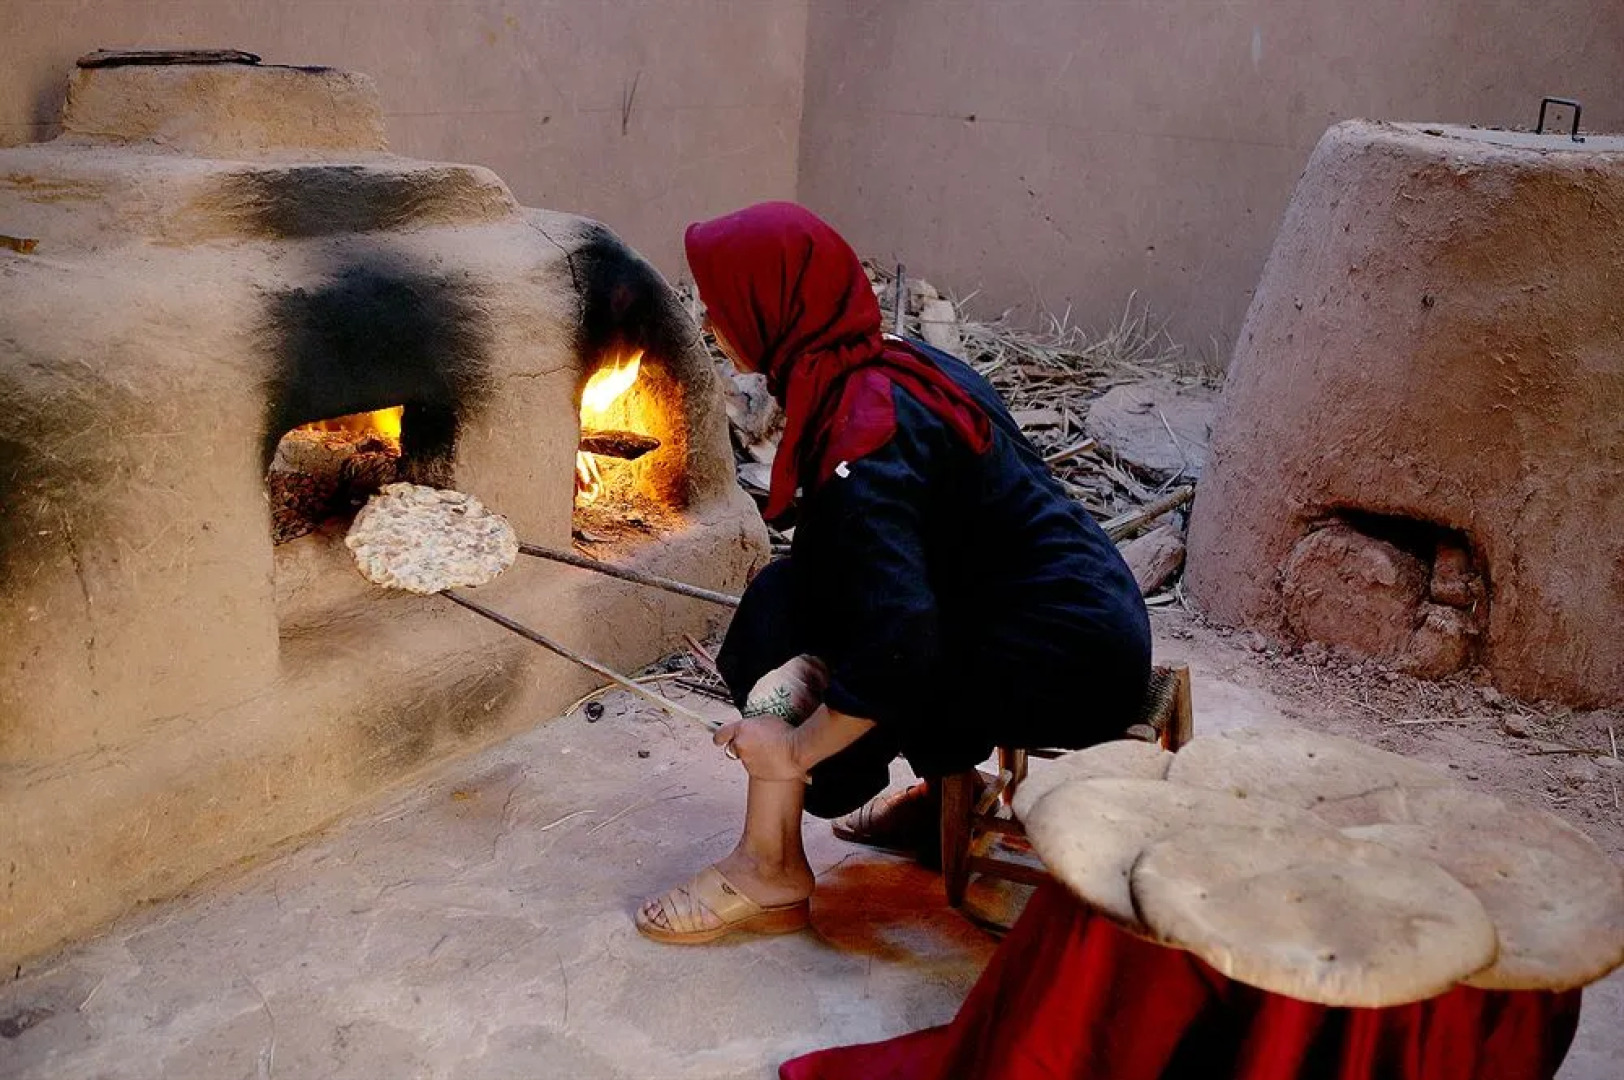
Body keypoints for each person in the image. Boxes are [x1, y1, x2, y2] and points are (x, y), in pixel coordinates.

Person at [635, 202, 1151, 944]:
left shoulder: (865, 435)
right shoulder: (887, 360)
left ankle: (769, 867)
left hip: (1064, 663)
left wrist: (795, 747)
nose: (711, 321)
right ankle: (951, 789)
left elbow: (899, 644)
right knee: (785, 597)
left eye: (721, 304)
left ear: (772, 307)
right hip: (1086, 612)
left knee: (802, 648)